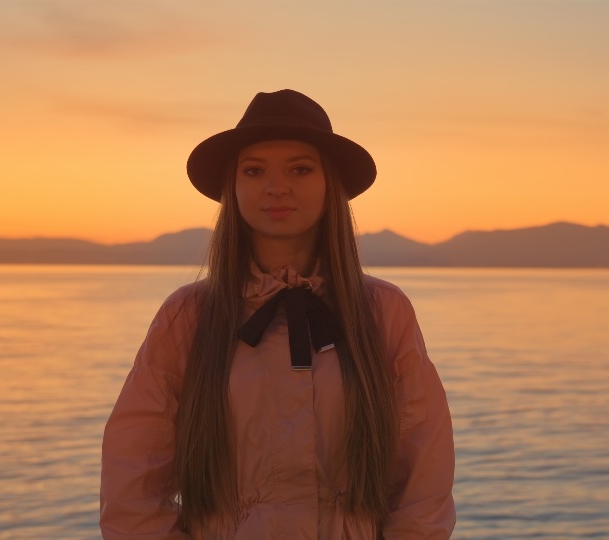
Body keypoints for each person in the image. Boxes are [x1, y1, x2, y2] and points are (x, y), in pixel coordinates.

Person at [100, 89, 455, 539]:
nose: (276, 186)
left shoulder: (383, 312)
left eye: (300, 169)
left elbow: (424, 476)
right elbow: (132, 481)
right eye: (254, 170)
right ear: (234, 187)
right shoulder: (187, 317)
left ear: (332, 186)